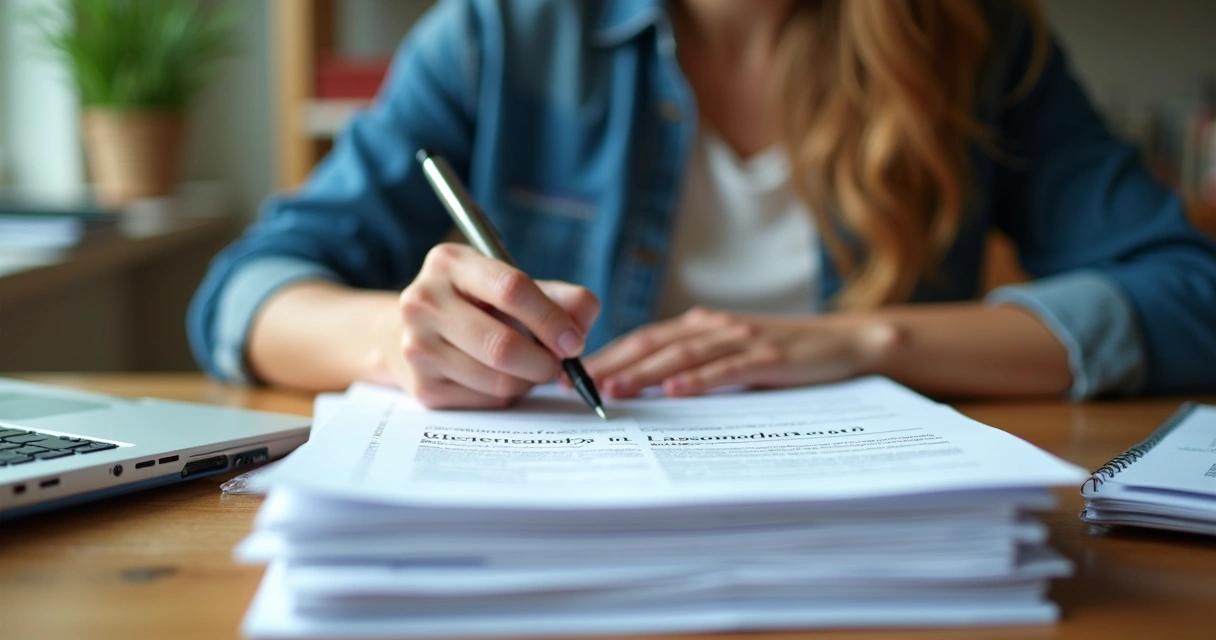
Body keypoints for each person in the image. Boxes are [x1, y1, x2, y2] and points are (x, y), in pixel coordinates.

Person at [188, 0, 1216, 408]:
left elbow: (1188, 296)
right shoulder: (503, 32)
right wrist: (395, 339)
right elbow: (243, 295)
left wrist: (868, 339)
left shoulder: (973, 38)